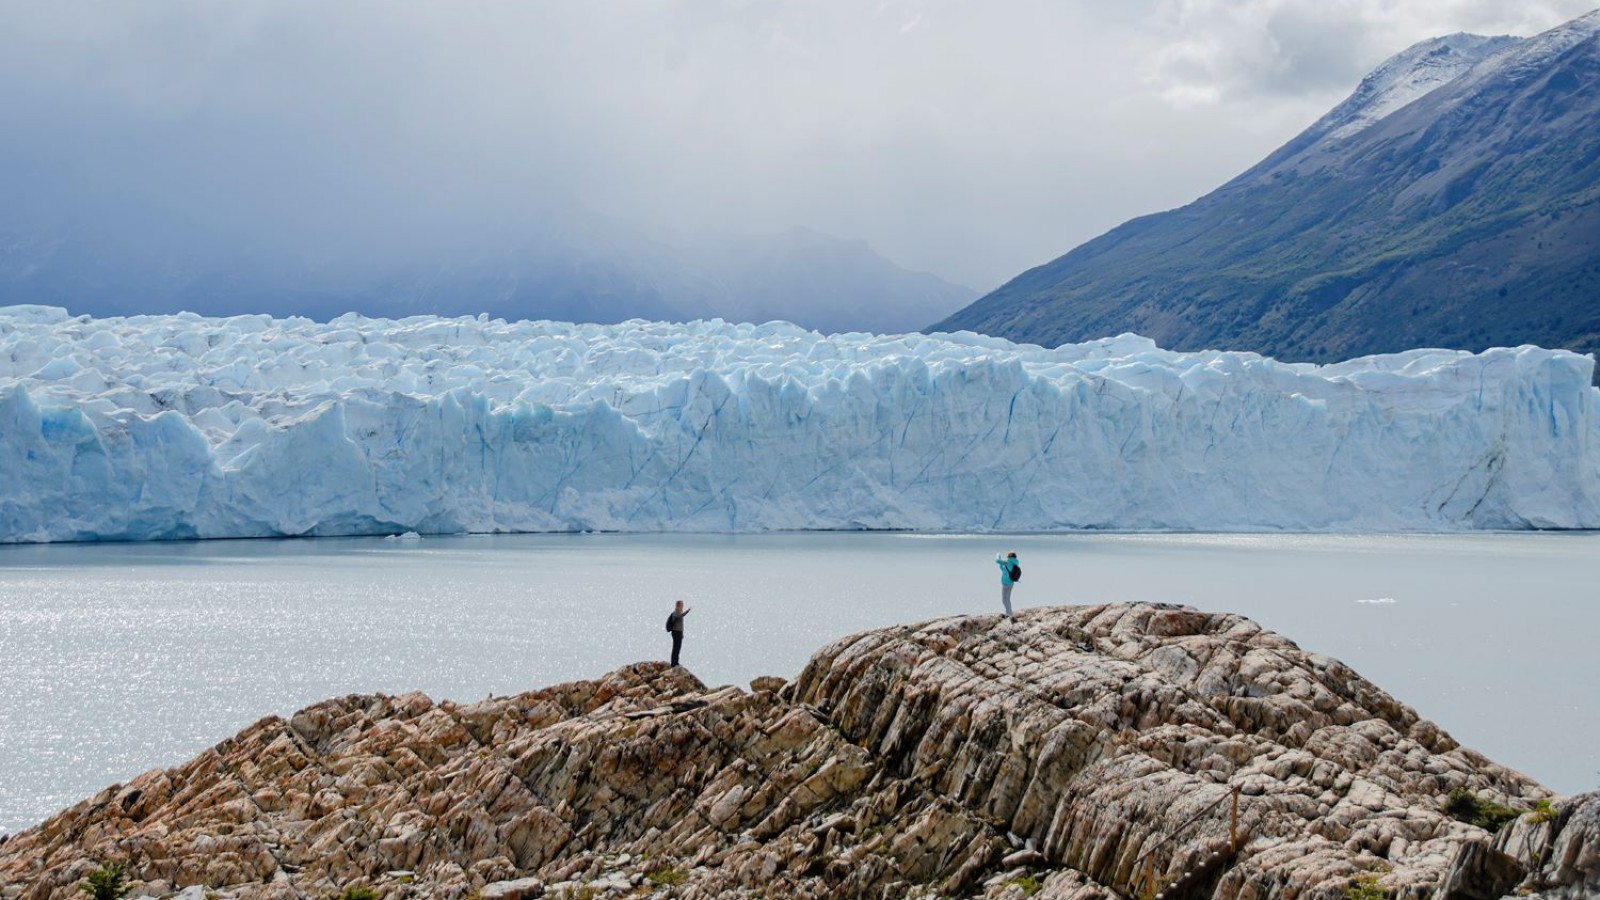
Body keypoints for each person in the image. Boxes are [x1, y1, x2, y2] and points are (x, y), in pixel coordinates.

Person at [994, 552, 1020, 619]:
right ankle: (1009, 613)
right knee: (1007, 599)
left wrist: (998, 555)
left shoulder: (1008, 562)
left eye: (1007, 557)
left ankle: (1009, 615)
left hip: (1006, 584)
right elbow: (1005, 570)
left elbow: (997, 560)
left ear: (1009, 557)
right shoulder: (1014, 563)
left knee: (1004, 600)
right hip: (1010, 583)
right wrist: (1001, 566)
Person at [666, 600, 691, 667]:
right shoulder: (675, 612)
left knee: (678, 648)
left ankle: (676, 662)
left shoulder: (679, 612)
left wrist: (682, 633)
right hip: (676, 632)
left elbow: (680, 624)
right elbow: (679, 616)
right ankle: (674, 663)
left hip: (679, 632)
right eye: (681, 605)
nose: (682, 606)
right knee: (676, 648)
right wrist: (687, 612)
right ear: (678, 605)